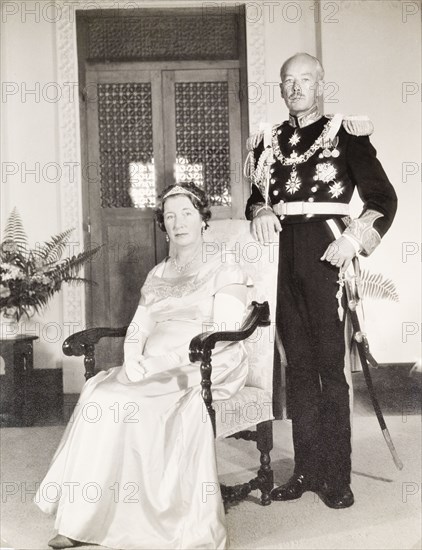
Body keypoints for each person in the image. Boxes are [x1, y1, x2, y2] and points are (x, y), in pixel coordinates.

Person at [36, 182, 252, 549]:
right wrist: (133, 356)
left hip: (208, 360)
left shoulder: (225, 266)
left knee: (133, 404)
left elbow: (225, 333)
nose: (178, 222)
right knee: (99, 396)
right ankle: (81, 520)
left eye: (186, 213)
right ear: (163, 225)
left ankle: (157, 523)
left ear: (203, 219)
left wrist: (165, 362)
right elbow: (139, 327)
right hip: (154, 361)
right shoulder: (159, 273)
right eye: (170, 216)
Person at [245, 53, 397, 509]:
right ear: (281, 88)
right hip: (281, 255)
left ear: (320, 83)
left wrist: (353, 241)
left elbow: (382, 199)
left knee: (332, 370)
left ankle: (337, 475)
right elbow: (255, 197)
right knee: (298, 369)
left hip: (328, 250)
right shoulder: (266, 142)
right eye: (288, 81)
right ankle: (306, 469)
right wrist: (260, 210)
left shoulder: (345, 134)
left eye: (305, 80)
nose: (296, 88)